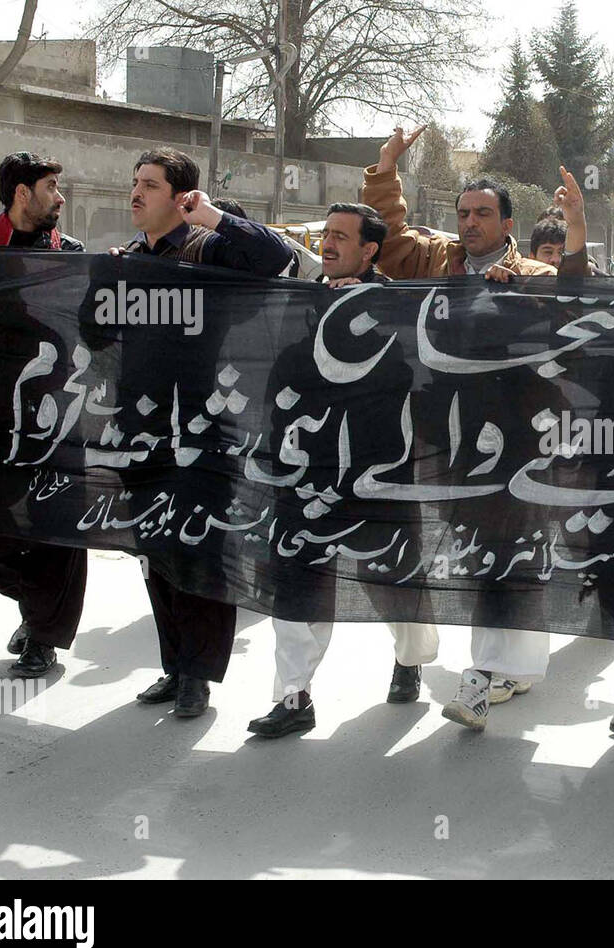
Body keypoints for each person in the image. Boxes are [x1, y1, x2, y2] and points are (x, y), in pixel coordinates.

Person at [362, 125, 588, 730]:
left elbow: (573, 308)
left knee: (508, 543)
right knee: (480, 545)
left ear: (506, 223)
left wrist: (521, 294)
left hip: (515, 436)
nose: (469, 222)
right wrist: (385, 173)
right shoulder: (440, 260)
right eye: (463, 213)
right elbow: (389, 245)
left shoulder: (531, 276)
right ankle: (508, 666)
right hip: (449, 433)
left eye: (482, 213)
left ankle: (483, 677)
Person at [248, 201, 441, 739]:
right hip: (308, 464)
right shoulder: (306, 289)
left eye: (340, 236)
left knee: (394, 576)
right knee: (296, 579)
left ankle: (411, 657)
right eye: (325, 235)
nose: (328, 244)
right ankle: (293, 696)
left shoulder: (397, 303)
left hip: (374, 468)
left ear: (370, 249)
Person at [121, 147, 293, 718]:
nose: (137, 193)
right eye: (135, 183)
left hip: (203, 428)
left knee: (199, 551)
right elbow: (96, 334)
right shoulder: (126, 260)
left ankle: (198, 674)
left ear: (181, 197)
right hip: (142, 430)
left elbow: (275, 259)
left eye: (151, 184)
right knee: (155, 554)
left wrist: (214, 216)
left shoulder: (209, 250)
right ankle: (174, 666)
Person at [0, 151, 88, 678]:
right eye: (52, 186)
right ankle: (39, 608)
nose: (61, 197)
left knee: (55, 529)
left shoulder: (70, 254)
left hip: (53, 419)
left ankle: (43, 635)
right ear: (22, 193)